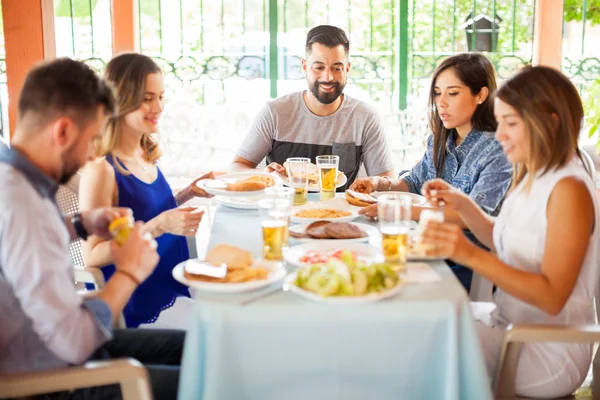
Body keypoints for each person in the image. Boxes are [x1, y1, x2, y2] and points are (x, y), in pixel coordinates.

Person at [0, 57, 184, 399]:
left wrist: (80, 224)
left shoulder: (13, 178)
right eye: (91, 141)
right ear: (64, 131)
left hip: (56, 346)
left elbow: (24, 243)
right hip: (52, 380)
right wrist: (130, 272)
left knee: (198, 349)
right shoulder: (22, 205)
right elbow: (75, 340)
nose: (90, 157)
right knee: (210, 380)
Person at [420, 66, 599, 398]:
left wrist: (468, 253)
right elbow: (502, 237)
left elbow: (551, 296)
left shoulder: (569, 190)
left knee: (420, 349)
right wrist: (463, 203)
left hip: (543, 348)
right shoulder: (535, 172)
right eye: (500, 122)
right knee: (420, 317)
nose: (500, 135)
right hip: (507, 323)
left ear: (552, 122)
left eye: (511, 124)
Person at [350, 53, 512, 290]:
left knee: (385, 281)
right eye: (437, 93)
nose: (441, 102)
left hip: (468, 263)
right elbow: (414, 182)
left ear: (481, 94)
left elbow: (474, 218)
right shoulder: (441, 139)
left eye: (453, 93)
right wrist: (378, 183)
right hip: (431, 249)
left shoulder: (498, 149)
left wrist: (400, 210)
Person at [79, 53, 212, 329]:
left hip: (173, 278)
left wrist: (187, 192)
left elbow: (144, 211)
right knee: (220, 331)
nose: (159, 107)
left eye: (161, 97)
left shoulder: (144, 150)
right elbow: (92, 254)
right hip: (142, 297)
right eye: (147, 98)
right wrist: (159, 225)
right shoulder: (101, 170)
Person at [230, 25, 395, 188]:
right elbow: (238, 166)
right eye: (319, 67)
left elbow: (386, 180)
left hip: (342, 212)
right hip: (282, 210)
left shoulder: (365, 117)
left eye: (337, 68)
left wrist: (378, 184)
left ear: (347, 68)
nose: (328, 77)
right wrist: (264, 176)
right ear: (304, 67)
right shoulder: (275, 112)